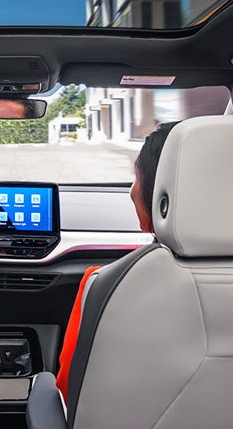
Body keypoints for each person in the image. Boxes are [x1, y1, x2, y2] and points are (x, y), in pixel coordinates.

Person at [55, 121, 179, 402]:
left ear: (161, 198)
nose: (131, 190)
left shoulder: (104, 284)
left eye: (136, 178)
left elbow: (68, 390)